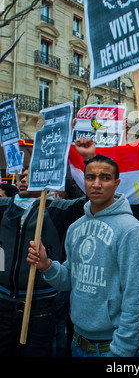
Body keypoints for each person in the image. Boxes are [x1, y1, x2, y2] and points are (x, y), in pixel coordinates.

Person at [27, 152, 139, 357]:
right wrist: (47, 266)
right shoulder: (75, 228)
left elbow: (136, 295)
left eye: (105, 177)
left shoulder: (130, 230)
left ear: (117, 183)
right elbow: (68, 280)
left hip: (112, 348)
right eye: (90, 177)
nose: (96, 184)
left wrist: (122, 351)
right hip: (77, 342)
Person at [0, 138, 95, 357]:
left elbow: (90, 199)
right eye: (21, 176)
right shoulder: (5, 207)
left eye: (30, 176)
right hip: (3, 302)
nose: (23, 180)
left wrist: (89, 158)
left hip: (40, 307)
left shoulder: (56, 209)